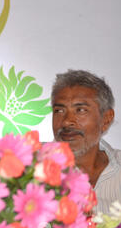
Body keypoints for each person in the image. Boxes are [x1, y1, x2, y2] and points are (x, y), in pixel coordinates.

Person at [51, 69, 121, 214]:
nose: (66, 122)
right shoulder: (29, 169)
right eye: (59, 111)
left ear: (106, 119)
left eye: (80, 110)